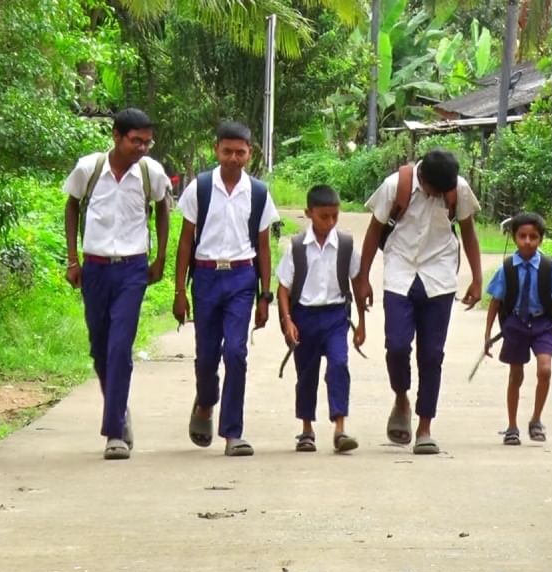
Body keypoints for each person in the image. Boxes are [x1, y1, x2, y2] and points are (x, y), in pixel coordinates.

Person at [353, 149, 483, 455]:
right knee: (396, 345)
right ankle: (401, 397)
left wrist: (477, 279)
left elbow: (468, 231)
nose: (438, 195)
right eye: (434, 190)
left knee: (432, 354)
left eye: (443, 191)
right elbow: (374, 231)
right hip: (399, 271)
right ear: (421, 177)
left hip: (439, 275)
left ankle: (425, 427)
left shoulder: (458, 189)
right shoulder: (395, 186)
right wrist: (363, 278)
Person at [62, 107, 171, 461]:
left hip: (132, 268)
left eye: (147, 142)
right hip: (94, 268)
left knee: (120, 346)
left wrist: (160, 258)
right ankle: (119, 411)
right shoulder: (89, 169)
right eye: (135, 141)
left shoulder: (150, 172)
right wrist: (73, 260)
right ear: (117, 137)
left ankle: (114, 434)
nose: (142, 147)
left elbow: (164, 209)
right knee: (100, 346)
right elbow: (72, 206)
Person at [172, 121, 279, 457]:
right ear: (216, 150)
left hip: (241, 280)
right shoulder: (200, 188)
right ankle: (205, 402)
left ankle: (233, 432)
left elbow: (263, 247)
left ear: (250, 153)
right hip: (205, 278)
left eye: (241, 152)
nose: (234, 158)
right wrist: (178, 292)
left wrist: (265, 295)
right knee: (206, 356)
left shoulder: (259, 193)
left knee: (236, 352)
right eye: (227, 151)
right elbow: (185, 242)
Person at [276, 185, 366, 454]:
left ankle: (340, 428)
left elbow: (357, 282)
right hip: (304, 317)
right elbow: (283, 288)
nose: (330, 222)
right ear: (308, 214)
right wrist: (287, 320)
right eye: (324, 216)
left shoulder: (346, 245)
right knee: (306, 375)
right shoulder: (297, 248)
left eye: (335, 216)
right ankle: (306, 430)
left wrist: (361, 322)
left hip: (336, 317)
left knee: (339, 365)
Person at [482, 212, 552, 446]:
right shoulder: (506, 269)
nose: (528, 241)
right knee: (515, 375)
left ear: (541, 239)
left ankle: (536, 419)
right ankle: (512, 426)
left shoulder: (548, 267)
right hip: (516, 324)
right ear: (514, 237)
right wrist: (487, 336)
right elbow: (495, 303)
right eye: (522, 236)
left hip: (543, 324)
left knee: (544, 370)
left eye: (533, 237)